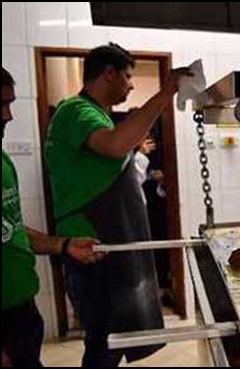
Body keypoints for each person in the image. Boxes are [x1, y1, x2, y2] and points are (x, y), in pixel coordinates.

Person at [44, 43, 190, 367]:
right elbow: (115, 145)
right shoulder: (76, 111)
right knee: (104, 344)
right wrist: (166, 93)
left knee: (114, 341)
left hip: (109, 242)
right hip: (89, 246)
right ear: (109, 73)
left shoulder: (98, 115)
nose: (131, 85)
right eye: (127, 76)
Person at [3, 67, 104, 368]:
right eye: (0, 105)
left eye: (9, 104)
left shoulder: (4, 162)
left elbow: (13, 230)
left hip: (21, 308)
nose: (8, 116)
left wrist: (65, 245)